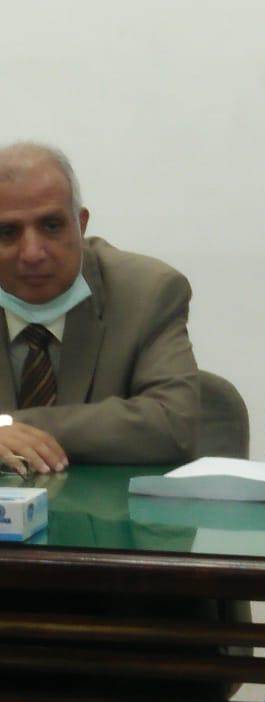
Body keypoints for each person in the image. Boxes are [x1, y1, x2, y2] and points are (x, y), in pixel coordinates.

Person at [0, 142, 198, 472]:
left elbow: (172, 423)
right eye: (7, 232)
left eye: (51, 226)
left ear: (81, 224)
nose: (32, 253)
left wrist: (8, 426)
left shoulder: (147, 293)